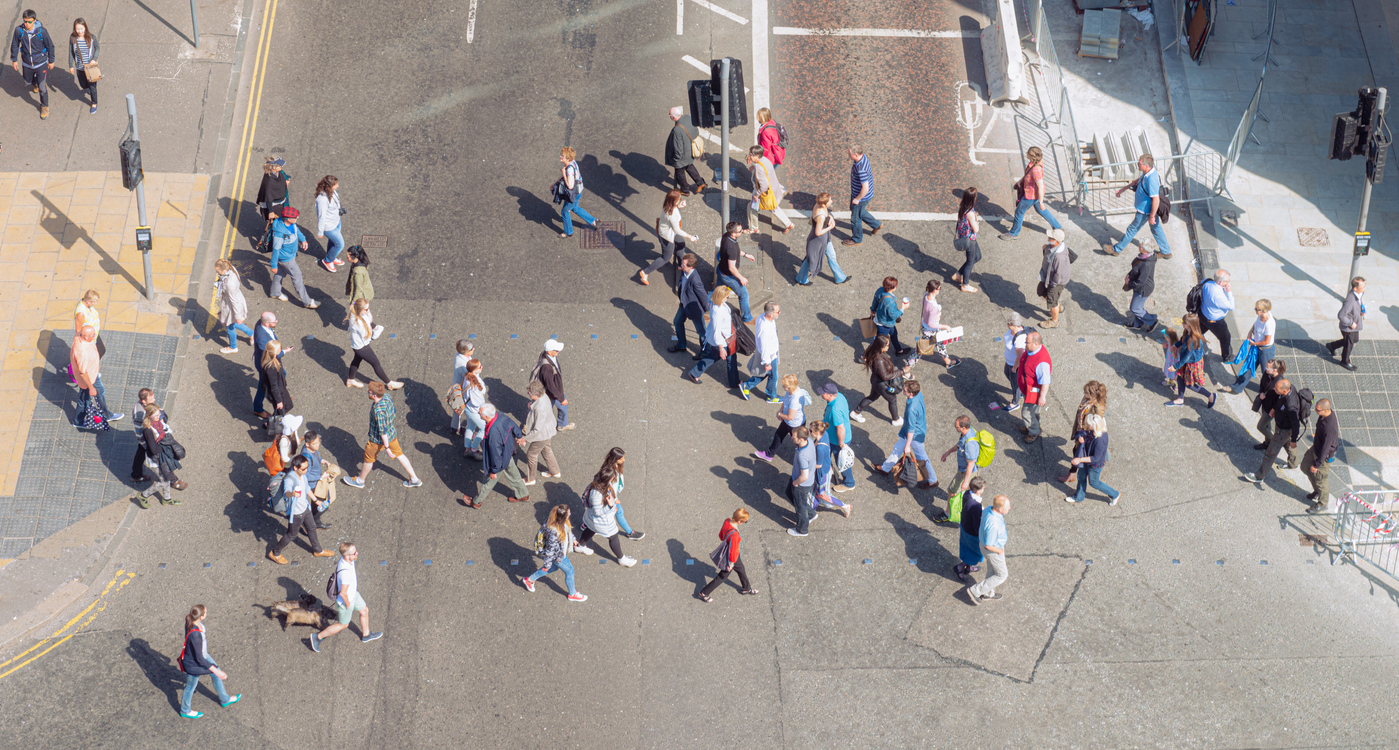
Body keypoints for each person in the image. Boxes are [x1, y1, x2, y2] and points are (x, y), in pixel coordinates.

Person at [343, 382, 423, 489]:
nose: (368, 393)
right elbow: (393, 411)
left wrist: (387, 448)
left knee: (368, 459)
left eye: (369, 392)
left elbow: (382, 431)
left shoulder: (378, 411)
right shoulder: (387, 397)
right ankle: (414, 479)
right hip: (392, 434)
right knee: (400, 454)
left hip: (377, 440)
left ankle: (360, 481)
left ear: (374, 395)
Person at [311, 542, 383, 652]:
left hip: (353, 594)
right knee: (343, 624)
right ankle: (317, 637)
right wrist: (348, 605)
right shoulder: (345, 574)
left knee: (364, 610)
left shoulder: (347, 560)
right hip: (345, 602)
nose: (357, 553)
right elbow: (343, 593)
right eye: (354, 553)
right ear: (347, 556)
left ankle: (366, 635)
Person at [267, 457, 336, 564]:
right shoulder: (290, 479)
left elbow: (307, 488)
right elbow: (286, 492)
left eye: (307, 467)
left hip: (305, 508)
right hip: (296, 513)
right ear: (295, 468)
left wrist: (316, 500)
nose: (306, 470)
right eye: (304, 469)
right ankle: (275, 553)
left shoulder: (302, 476)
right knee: (292, 534)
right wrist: (292, 494)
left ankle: (318, 550)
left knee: (312, 528)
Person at [177, 605, 240, 718]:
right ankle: (185, 710)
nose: (207, 613)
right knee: (191, 686)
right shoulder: (195, 635)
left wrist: (216, 671)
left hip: (202, 654)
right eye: (205, 612)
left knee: (216, 674)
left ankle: (225, 699)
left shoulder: (190, 620)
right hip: (194, 663)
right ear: (201, 617)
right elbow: (200, 659)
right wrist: (216, 671)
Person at [1105, 154, 1171, 258]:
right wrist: (1123, 189)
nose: (1137, 165)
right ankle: (1166, 251)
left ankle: (1116, 249)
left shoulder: (1151, 179)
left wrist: (1152, 216)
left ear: (1146, 165)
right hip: (1145, 210)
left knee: (1132, 229)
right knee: (1156, 229)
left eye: (1139, 163)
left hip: (1145, 211)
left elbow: (1156, 199)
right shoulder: (1147, 173)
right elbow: (1136, 182)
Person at [460, 403, 526, 507]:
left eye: (480, 413)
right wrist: (519, 436)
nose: (478, 413)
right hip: (507, 453)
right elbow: (512, 424)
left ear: (486, 416)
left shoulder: (493, 434)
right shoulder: (500, 415)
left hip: (499, 462)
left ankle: (476, 502)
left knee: (488, 482)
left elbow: (496, 456)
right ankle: (523, 494)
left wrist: (493, 471)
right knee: (514, 475)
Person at [875, 380, 935, 492]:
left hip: (913, 434)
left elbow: (911, 430)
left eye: (905, 390)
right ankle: (885, 468)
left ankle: (933, 480)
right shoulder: (918, 394)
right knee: (897, 448)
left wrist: (907, 446)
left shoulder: (912, 409)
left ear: (911, 393)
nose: (903, 389)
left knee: (922, 457)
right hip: (915, 430)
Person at [523, 505, 587, 601]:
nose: (570, 514)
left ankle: (529, 580)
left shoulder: (556, 520)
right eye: (568, 514)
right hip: (558, 556)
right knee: (570, 571)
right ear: (563, 517)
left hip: (558, 554)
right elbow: (550, 550)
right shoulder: (554, 532)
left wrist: (573, 539)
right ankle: (572, 594)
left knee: (553, 568)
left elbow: (567, 531)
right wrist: (546, 564)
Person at [576, 465, 637, 565]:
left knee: (590, 529)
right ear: (609, 478)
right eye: (613, 477)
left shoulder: (599, 485)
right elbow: (598, 512)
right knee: (613, 537)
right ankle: (621, 559)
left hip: (592, 520)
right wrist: (610, 506)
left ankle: (581, 546)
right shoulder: (597, 493)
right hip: (601, 522)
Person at [1244, 378, 1302, 483]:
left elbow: (1295, 424)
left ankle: (1259, 477)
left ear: (1284, 390)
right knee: (1287, 443)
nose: (1274, 389)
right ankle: (1293, 463)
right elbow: (1280, 399)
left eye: (1276, 388)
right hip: (1281, 426)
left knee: (1270, 453)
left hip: (1283, 431)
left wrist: (1294, 439)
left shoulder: (1291, 405)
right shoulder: (1290, 388)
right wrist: (1275, 408)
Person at [1000, 147, 1062, 241]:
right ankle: (1057, 227)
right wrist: (1021, 181)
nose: (1026, 154)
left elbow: (1040, 186)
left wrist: (1041, 202)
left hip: (1031, 196)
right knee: (1042, 211)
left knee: (1019, 212)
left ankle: (1013, 233)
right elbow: (1030, 176)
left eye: (1028, 153)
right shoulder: (1036, 163)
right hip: (1035, 195)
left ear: (1031, 157)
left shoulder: (1036, 169)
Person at [698, 508, 757, 602]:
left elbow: (721, 536)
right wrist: (731, 564)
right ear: (739, 521)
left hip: (733, 556)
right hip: (731, 558)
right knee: (722, 576)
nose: (744, 523)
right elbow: (733, 552)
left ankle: (746, 588)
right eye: (744, 522)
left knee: (741, 569)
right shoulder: (735, 535)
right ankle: (704, 593)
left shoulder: (727, 521)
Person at [640, 189, 697, 286]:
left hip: (671, 233)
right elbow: (677, 230)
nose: (680, 200)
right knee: (665, 258)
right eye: (679, 199)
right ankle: (645, 272)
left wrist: (679, 206)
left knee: (681, 244)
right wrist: (690, 237)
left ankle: (680, 265)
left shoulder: (667, 204)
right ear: (674, 201)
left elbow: (673, 213)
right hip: (667, 237)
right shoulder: (672, 215)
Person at [686, 287, 739, 388]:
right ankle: (734, 382)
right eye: (726, 297)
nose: (727, 298)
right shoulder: (717, 312)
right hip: (723, 341)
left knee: (713, 357)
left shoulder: (718, 304)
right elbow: (716, 331)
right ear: (721, 297)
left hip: (722, 339)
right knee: (731, 360)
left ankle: (695, 372)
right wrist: (721, 348)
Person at [267, 206, 319, 308]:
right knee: (297, 276)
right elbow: (276, 249)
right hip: (286, 259)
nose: (297, 218)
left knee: (280, 273)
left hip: (290, 255)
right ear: (288, 219)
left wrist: (303, 240)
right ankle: (307, 302)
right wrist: (273, 265)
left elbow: (296, 231)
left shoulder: (291, 224)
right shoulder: (279, 233)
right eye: (295, 217)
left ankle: (275, 293)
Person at [71, 325, 122, 427]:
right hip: (88, 379)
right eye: (92, 335)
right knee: (85, 399)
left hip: (92, 375)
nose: (95, 336)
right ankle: (78, 422)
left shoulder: (78, 336)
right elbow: (83, 372)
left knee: (97, 393)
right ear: (85, 337)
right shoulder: (82, 353)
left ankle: (106, 414)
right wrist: (91, 387)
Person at [1220, 300, 1275, 394]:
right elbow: (1256, 323)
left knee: (1267, 372)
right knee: (1248, 367)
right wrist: (1251, 331)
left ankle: (1272, 391)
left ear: (1263, 311)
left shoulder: (1269, 324)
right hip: (1257, 347)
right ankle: (1237, 387)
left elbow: (1267, 341)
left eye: (1256, 309)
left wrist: (1254, 344)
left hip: (1265, 350)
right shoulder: (1261, 315)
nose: (1255, 310)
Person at [1056, 382, 1106, 485]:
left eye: (1086, 392)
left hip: (1086, 434)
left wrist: (1085, 436)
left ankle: (1072, 474)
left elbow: (1096, 424)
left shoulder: (1098, 407)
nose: (1083, 393)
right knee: (1079, 451)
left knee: (1077, 452)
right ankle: (1079, 471)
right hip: (1080, 431)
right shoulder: (1087, 399)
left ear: (1093, 394)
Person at [344, 299, 400, 389]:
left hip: (358, 345)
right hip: (361, 347)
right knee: (376, 363)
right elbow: (366, 334)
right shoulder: (357, 321)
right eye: (366, 309)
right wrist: (373, 330)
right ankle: (389, 383)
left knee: (357, 360)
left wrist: (367, 312)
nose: (368, 310)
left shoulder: (360, 314)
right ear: (360, 309)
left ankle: (350, 379)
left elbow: (370, 319)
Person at [10, 10, 56, 120]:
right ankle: (34, 82)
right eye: (25, 21)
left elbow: (50, 46)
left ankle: (44, 106)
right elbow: (15, 44)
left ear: (34, 20)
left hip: (40, 63)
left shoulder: (42, 32)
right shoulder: (19, 31)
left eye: (29, 22)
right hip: (27, 63)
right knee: (27, 81)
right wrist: (14, 59)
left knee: (42, 87)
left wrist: (51, 60)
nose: (27, 24)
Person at [795, 192, 848, 285]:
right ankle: (801, 279)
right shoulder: (820, 216)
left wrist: (830, 218)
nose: (832, 201)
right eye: (829, 201)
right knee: (810, 259)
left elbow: (826, 214)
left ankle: (840, 277)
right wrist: (830, 227)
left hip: (824, 238)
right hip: (819, 240)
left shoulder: (818, 205)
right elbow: (818, 232)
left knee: (830, 255)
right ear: (824, 204)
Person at [1065, 414, 1120, 505]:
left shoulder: (1100, 440)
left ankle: (1115, 494)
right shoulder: (1094, 431)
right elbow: (1082, 432)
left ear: (1094, 426)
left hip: (1095, 465)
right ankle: (1079, 497)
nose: (1087, 426)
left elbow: (1095, 458)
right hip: (1087, 460)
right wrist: (1081, 437)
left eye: (1088, 425)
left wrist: (1080, 460)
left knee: (1094, 482)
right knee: (1081, 476)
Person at [753, 373, 809, 462]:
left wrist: (780, 414)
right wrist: (781, 410)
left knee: (799, 442)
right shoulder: (791, 391)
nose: (783, 387)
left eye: (785, 386)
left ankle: (805, 459)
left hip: (794, 425)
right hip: (789, 422)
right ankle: (769, 455)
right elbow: (785, 400)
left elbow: (790, 417)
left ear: (790, 387)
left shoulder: (795, 400)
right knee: (778, 436)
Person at [851, 335, 906, 425]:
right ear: (881, 346)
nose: (889, 346)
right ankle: (896, 420)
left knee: (872, 397)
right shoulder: (879, 360)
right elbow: (885, 376)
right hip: (882, 385)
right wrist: (900, 372)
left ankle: (856, 412)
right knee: (892, 400)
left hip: (876, 382)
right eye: (887, 345)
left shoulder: (874, 352)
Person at [908, 279, 961, 370]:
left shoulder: (926, 295)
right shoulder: (934, 306)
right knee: (921, 350)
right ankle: (906, 368)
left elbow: (925, 309)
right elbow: (931, 324)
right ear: (935, 290)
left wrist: (937, 315)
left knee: (940, 344)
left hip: (925, 326)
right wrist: (945, 326)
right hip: (930, 330)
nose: (940, 290)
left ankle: (947, 361)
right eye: (940, 288)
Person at [137, 403, 183, 507]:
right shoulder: (148, 430)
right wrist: (167, 447)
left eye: (159, 414)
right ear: (149, 416)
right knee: (164, 481)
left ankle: (167, 499)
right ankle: (143, 495)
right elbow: (154, 449)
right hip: (155, 460)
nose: (159, 417)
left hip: (161, 457)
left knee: (166, 478)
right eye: (156, 416)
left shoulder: (157, 423)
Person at [967, 495, 1011, 604]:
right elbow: (989, 545)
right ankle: (975, 591)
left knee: (992, 571)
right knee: (1002, 575)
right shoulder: (994, 525)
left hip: (984, 545)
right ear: (1000, 509)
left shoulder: (988, 509)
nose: (1009, 508)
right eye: (1007, 507)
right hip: (993, 550)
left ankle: (987, 593)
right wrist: (999, 551)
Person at [1165, 314, 1215, 408]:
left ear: (1190, 325)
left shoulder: (1193, 339)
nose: (1182, 323)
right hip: (1187, 362)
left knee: (1189, 384)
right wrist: (1176, 344)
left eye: (1184, 322)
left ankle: (1210, 395)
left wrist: (1175, 366)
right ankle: (1180, 399)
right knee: (1180, 378)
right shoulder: (1188, 331)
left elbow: (1187, 357)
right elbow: (1182, 340)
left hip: (1192, 364)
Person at [745, 146, 794, 235]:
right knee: (773, 207)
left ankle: (754, 228)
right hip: (773, 191)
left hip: (765, 193)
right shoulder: (765, 160)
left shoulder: (759, 168)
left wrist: (756, 195)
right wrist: (753, 170)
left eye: (751, 155)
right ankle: (788, 224)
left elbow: (764, 185)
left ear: (756, 156)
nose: (749, 156)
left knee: (751, 207)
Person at [808, 419, 852, 518]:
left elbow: (818, 465)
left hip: (822, 473)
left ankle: (845, 506)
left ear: (817, 432)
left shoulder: (820, 447)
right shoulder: (824, 434)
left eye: (811, 431)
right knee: (814, 490)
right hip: (826, 468)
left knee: (823, 495)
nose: (809, 432)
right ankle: (810, 510)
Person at [251, 312, 291, 418]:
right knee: (264, 386)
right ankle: (258, 408)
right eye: (274, 321)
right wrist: (283, 352)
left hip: (272, 362)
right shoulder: (262, 340)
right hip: (266, 364)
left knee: (282, 375)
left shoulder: (261, 323)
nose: (276, 321)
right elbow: (271, 354)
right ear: (266, 323)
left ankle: (282, 395)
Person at [668, 252, 708, 357]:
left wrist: (705, 309)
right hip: (684, 304)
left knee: (701, 331)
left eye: (684, 265)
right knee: (677, 322)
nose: (681, 266)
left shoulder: (695, 280)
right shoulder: (685, 272)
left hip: (694, 308)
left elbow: (703, 296)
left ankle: (705, 352)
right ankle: (681, 345)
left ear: (690, 267)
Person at [717, 221, 758, 322]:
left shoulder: (726, 236)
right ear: (733, 233)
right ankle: (746, 317)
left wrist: (746, 255)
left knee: (716, 292)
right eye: (740, 231)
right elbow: (732, 268)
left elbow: (734, 250)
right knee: (744, 294)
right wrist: (741, 278)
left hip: (721, 269)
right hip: (728, 275)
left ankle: (706, 304)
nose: (742, 231)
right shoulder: (731, 248)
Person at [1304, 399, 1339, 513]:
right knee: (1305, 466)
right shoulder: (1324, 415)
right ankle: (1318, 491)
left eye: (1317, 410)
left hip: (1323, 456)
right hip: (1316, 448)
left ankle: (1322, 504)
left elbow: (1326, 448)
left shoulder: (1330, 427)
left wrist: (1317, 464)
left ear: (1325, 410)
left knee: (1321, 480)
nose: (1315, 411)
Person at [522, 381, 560, 485]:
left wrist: (525, 438)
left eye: (530, 393)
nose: (528, 394)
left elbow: (537, 430)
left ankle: (530, 479)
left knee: (531, 454)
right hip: (549, 430)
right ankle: (554, 471)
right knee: (546, 450)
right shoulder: (544, 396)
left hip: (542, 435)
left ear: (536, 394)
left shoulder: (539, 409)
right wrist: (532, 406)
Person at [1016, 331, 1052, 443]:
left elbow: (1045, 382)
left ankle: (1033, 432)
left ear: (1036, 343)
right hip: (1028, 389)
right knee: (1034, 411)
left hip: (1034, 393)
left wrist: (1042, 397)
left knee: (1026, 413)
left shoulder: (1042, 362)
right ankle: (1034, 425)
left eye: (1027, 342)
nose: (1025, 344)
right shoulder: (1033, 350)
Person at [740, 302, 781, 400]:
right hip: (769, 356)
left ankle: (747, 385)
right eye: (778, 311)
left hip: (769, 353)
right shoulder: (765, 330)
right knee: (773, 376)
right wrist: (767, 363)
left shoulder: (763, 317)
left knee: (764, 374)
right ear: (771, 314)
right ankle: (771, 396)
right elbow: (765, 347)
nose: (780, 312)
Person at [601, 447, 643, 540]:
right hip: (610, 496)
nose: (624, 460)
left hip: (612, 495)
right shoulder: (610, 471)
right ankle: (630, 533)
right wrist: (614, 499)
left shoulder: (613, 466)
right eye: (621, 458)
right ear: (615, 459)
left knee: (601, 513)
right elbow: (607, 487)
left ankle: (587, 526)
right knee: (619, 512)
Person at [819, 383, 855, 492]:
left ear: (830, 395)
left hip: (837, 440)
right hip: (833, 436)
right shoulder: (839, 396)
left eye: (823, 393)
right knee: (826, 453)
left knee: (842, 461)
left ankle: (849, 483)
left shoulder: (835, 410)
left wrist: (841, 444)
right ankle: (827, 469)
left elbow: (841, 429)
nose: (821, 394)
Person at [556, 146, 599, 237]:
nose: (560, 156)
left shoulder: (569, 170)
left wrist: (563, 173)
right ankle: (593, 221)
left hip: (573, 194)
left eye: (562, 156)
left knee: (565, 211)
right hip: (579, 190)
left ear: (567, 158)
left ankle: (568, 232)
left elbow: (570, 185)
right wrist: (554, 183)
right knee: (575, 208)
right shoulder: (572, 162)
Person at [1325, 276, 1365, 371]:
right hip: (1348, 328)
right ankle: (1345, 361)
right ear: (1355, 288)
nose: (1364, 289)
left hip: (1355, 325)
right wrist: (1351, 323)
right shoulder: (1350, 301)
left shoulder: (1359, 294)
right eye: (1362, 287)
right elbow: (1341, 315)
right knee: (1349, 344)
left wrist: (1361, 310)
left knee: (1354, 340)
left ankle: (1332, 346)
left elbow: (1359, 303)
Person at [664, 106, 706, 195]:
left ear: (674, 117)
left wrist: (675, 159)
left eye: (670, 115)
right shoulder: (688, 117)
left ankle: (685, 190)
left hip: (682, 156)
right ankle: (701, 183)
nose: (670, 116)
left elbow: (678, 148)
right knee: (689, 166)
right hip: (690, 150)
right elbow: (696, 131)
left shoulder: (677, 130)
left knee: (679, 172)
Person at [533, 340, 575, 430]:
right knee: (549, 410)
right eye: (556, 350)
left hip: (553, 391)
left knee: (544, 410)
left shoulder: (546, 355)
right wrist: (561, 398)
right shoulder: (547, 368)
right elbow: (550, 385)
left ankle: (561, 424)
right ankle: (535, 426)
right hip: (552, 393)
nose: (558, 351)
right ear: (549, 351)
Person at [213, 259, 253, 354]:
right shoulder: (231, 268)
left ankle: (233, 347)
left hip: (231, 306)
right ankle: (252, 333)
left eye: (217, 271)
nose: (216, 272)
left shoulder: (230, 284)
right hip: (233, 301)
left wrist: (238, 316)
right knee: (232, 323)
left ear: (223, 271)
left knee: (229, 326)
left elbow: (234, 302)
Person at [952, 477, 987, 582]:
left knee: (966, 547)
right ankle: (960, 567)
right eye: (983, 488)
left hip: (965, 526)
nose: (984, 489)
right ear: (977, 490)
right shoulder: (976, 506)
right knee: (975, 551)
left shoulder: (967, 494)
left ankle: (969, 567)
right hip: (972, 533)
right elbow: (977, 526)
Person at [845, 146, 881, 245]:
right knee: (857, 210)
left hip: (861, 196)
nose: (848, 155)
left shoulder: (861, 169)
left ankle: (857, 239)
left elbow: (865, 188)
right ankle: (876, 224)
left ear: (856, 155)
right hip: (858, 194)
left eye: (850, 154)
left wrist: (857, 199)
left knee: (855, 219)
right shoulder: (863, 157)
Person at [300, 430, 337, 527]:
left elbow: (317, 458)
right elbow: (306, 476)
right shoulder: (306, 457)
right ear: (307, 444)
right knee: (323, 505)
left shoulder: (312, 449)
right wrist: (321, 477)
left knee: (317, 505)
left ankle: (316, 522)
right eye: (315, 443)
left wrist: (324, 461)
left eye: (318, 442)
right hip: (313, 485)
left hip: (317, 481)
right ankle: (311, 523)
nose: (318, 445)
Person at [785, 427, 817, 537]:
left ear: (802, 439)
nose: (792, 438)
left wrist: (795, 483)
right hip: (800, 479)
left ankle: (802, 530)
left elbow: (804, 476)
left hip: (801, 484)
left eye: (794, 437)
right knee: (790, 493)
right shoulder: (810, 442)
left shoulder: (802, 455)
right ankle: (811, 514)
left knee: (800, 508)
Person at [940, 415, 981, 500]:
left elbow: (970, 464)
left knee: (952, 491)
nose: (955, 427)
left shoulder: (970, 445)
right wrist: (948, 452)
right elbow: (960, 444)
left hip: (965, 472)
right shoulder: (969, 431)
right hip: (964, 470)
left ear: (963, 428)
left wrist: (965, 482)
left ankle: (948, 513)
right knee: (968, 493)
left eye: (957, 426)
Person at [1249, 358, 1287, 449]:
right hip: (1264, 403)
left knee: (1261, 426)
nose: (1265, 369)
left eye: (1267, 368)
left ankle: (1275, 441)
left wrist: (1273, 410)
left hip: (1271, 409)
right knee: (1267, 425)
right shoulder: (1267, 373)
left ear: (1274, 370)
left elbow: (1280, 399)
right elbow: (1262, 383)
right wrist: (1261, 392)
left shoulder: (1280, 381)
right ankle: (1267, 443)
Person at [1199, 269, 1235, 362]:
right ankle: (1227, 357)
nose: (1228, 282)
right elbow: (1231, 306)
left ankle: (1184, 342)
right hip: (1215, 321)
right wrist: (1229, 292)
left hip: (1203, 314)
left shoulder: (1206, 282)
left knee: (1196, 332)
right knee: (1225, 338)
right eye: (1227, 281)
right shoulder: (1218, 295)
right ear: (1220, 282)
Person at [869, 276, 912, 355]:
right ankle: (864, 356)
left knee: (894, 334)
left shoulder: (880, 290)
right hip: (885, 324)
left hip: (883, 319)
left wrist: (873, 310)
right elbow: (894, 315)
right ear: (893, 287)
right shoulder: (890, 302)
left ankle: (899, 350)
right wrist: (903, 308)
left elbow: (875, 300)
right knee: (878, 342)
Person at [951, 188, 982, 293]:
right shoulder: (970, 213)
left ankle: (959, 274)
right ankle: (965, 285)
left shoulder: (962, 205)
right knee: (970, 262)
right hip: (970, 240)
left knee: (977, 257)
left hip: (964, 237)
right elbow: (976, 229)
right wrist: (976, 218)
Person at [1037, 228, 1070, 328]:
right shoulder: (1055, 246)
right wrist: (1047, 247)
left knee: (1051, 301)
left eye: (1051, 238)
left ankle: (1054, 321)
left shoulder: (1059, 257)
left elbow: (1058, 274)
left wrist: (1052, 285)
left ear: (1057, 241)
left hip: (1055, 281)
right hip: (1047, 276)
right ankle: (1058, 306)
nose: (1048, 238)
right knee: (1041, 291)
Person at [314, 175, 346, 271]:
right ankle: (327, 260)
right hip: (329, 227)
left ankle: (331, 257)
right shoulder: (322, 200)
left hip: (336, 221)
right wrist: (320, 231)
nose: (338, 186)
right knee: (340, 244)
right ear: (329, 186)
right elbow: (321, 216)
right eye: (335, 185)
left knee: (333, 242)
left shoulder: (332, 192)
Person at [66, 18, 98, 114]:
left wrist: (94, 59)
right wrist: (71, 65)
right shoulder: (73, 38)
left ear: (85, 28)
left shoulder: (91, 38)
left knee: (92, 87)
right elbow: (71, 52)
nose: (80, 31)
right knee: (83, 85)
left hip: (90, 67)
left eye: (81, 28)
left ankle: (94, 103)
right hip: (79, 67)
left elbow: (98, 48)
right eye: (77, 29)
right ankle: (88, 89)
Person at [1000, 313, 1030, 411]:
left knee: (1015, 384)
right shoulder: (1011, 331)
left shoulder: (1020, 338)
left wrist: (1014, 368)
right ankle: (1019, 392)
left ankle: (1015, 403)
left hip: (1014, 365)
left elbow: (1020, 356)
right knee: (1007, 374)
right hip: (1009, 362)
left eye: (1019, 325)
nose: (1019, 327)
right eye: (1017, 325)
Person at [1123, 246, 1158, 330]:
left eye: (1140, 246)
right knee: (1138, 306)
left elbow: (1140, 282)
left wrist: (1129, 283)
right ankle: (1137, 324)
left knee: (1134, 308)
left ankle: (1152, 320)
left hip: (1143, 289)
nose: (1139, 246)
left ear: (1145, 249)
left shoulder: (1146, 263)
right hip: (1140, 287)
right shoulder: (1145, 257)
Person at [129, 388, 160, 481]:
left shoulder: (143, 406)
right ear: (144, 401)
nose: (154, 400)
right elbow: (139, 432)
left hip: (147, 437)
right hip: (145, 439)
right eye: (151, 399)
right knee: (145, 453)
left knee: (140, 454)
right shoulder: (140, 415)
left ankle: (136, 475)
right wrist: (145, 445)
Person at [460, 358, 488, 459]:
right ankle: (473, 449)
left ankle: (467, 447)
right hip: (474, 411)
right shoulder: (474, 385)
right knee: (484, 428)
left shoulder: (468, 376)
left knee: (470, 427)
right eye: (480, 366)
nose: (481, 367)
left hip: (468, 409)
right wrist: (481, 395)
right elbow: (477, 402)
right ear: (475, 369)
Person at [260, 340, 293, 416]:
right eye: (279, 349)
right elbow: (274, 386)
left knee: (288, 405)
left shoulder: (271, 357)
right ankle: (269, 424)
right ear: (274, 352)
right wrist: (279, 401)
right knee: (281, 411)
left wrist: (285, 351)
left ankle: (272, 422)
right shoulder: (271, 367)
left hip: (281, 387)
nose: (280, 349)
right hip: (276, 392)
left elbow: (279, 354)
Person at [255, 157, 292, 226]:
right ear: (273, 167)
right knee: (277, 224)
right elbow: (268, 197)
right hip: (275, 206)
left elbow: (283, 175)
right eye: (280, 165)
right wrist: (271, 211)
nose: (282, 166)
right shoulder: (269, 182)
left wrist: (286, 182)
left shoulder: (277, 172)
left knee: (282, 220)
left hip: (281, 201)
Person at [449, 340, 475, 433]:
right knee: (464, 408)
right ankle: (460, 428)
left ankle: (455, 427)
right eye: (471, 349)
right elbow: (470, 378)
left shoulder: (461, 355)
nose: (473, 349)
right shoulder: (463, 365)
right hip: (462, 388)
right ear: (466, 351)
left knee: (458, 408)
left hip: (459, 385)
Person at [73, 289, 105, 356]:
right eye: (94, 302)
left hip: (94, 334)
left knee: (101, 351)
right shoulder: (81, 313)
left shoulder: (87, 305)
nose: (95, 303)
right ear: (88, 301)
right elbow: (78, 330)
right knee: (98, 353)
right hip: (88, 338)